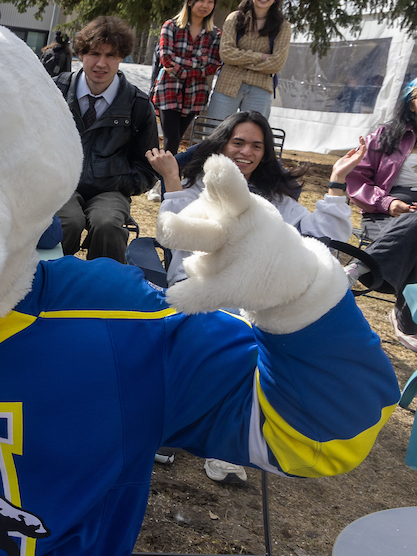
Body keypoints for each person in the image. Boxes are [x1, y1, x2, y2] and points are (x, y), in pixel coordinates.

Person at [148, 110, 362, 483]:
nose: (246, 152)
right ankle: (171, 422)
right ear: (222, 145)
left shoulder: (275, 200)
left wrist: (337, 181)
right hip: (203, 285)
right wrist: (171, 180)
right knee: (217, 329)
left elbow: (323, 239)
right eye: (238, 142)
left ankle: (223, 444)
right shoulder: (200, 187)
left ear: (265, 154)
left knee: (254, 330)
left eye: (256, 146)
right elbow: (178, 239)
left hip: (255, 296)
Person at [52, 16, 157, 263]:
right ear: (80, 54)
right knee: (66, 222)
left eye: (111, 55)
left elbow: (147, 168)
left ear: (122, 57)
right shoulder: (54, 92)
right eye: (94, 53)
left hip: (111, 191)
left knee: (108, 224)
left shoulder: (139, 105)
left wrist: (118, 180)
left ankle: (105, 285)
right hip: (61, 186)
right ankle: (48, 280)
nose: (101, 63)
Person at [347, 78, 417, 351]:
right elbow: (355, 180)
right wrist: (387, 202)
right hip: (383, 214)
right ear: (410, 103)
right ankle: (407, 321)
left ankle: (360, 266)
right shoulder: (385, 136)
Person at [207, 0, 291, 121]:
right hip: (227, 86)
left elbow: (276, 64)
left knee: (253, 133)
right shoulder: (235, 18)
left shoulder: (283, 26)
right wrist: (261, 57)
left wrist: (238, 61)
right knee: (215, 131)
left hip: (260, 89)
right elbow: (226, 54)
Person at [151, 0, 222, 154]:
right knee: (171, 139)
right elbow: (166, 60)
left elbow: (212, 66)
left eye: (210, 2)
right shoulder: (171, 26)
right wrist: (199, 62)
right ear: (190, 1)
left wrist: (181, 66)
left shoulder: (215, 34)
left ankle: (165, 169)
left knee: (176, 139)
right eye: (201, 0)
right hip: (168, 89)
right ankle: (165, 171)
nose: (205, 5)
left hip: (195, 94)